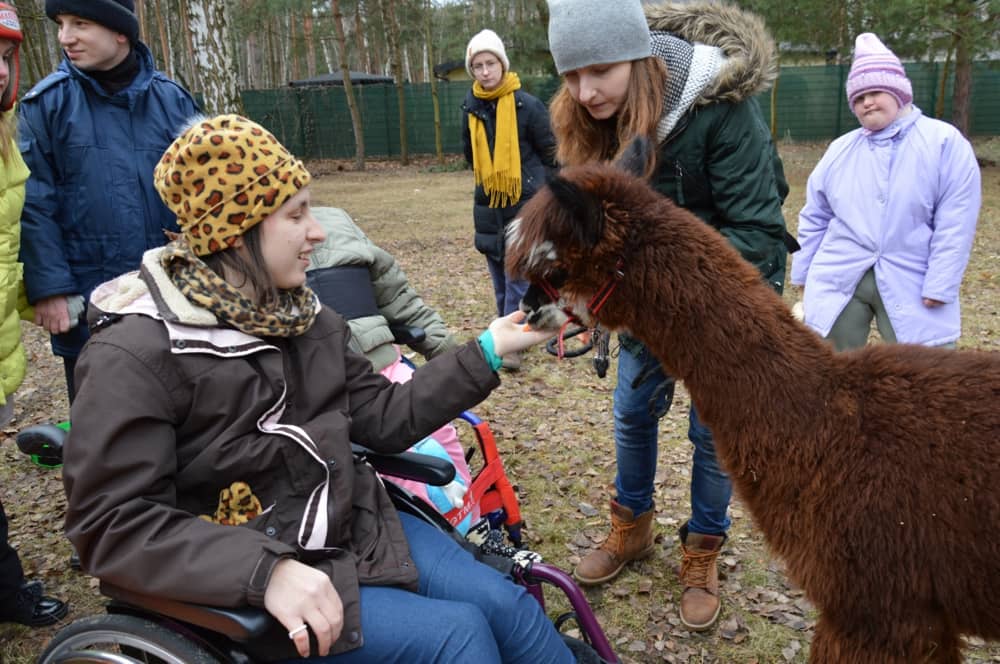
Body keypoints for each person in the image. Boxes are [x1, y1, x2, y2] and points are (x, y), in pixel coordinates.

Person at [60, 114, 577, 662]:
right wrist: (266, 571)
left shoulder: (305, 318)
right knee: (459, 638)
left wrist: (487, 350)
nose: (319, 231)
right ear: (234, 229)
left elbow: (384, 416)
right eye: (296, 214)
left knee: (511, 609)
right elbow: (110, 523)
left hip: (350, 526)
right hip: (255, 579)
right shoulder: (136, 353)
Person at [545, 0, 791, 632]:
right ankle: (631, 530)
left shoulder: (720, 111)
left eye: (599, 69)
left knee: (712, 436)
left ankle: (702, 548)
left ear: (639, 55)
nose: (584, 90)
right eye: (571, 74)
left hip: (727, 305)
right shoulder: (588, 118)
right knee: (631, 410)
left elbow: (759, 231)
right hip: (646, 303)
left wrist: (661, 282)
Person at [17, 0, 199, 404]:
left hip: (169, 291)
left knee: (178, 408)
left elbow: (203, 194)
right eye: (61, 24)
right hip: (89, 293)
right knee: (99, 416)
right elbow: (33, 203)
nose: (65, 37)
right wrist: (49, 287)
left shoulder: (173, 102)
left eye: (80, 23)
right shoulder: (47, 104)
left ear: (121, 32)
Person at [791, 33, 981, 351]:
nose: (867, 102)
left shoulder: (944, 143)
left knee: (924, 377)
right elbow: (815, 216)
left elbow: (956, 220)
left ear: (899, 93)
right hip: (841, 277)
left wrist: (941, 282)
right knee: (826, 374)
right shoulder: (840, 150)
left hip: (914, 278)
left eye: (875, 92)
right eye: (858, 97)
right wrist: (804, 273)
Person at [307, 207, 477, 532]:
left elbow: (394, 293)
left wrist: (447, 353)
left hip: (385, 369)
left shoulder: (335, 220)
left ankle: (469, 528)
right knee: (402, 466)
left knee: (439, 436)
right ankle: (436, 541)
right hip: (324, 393)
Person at [0, 2, 68, 628]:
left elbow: (8, 250)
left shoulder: (4, 146)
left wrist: (46, 298)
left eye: (3, 57)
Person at [461, 28, 557, 371]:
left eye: (490, 63)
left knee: (518, 273)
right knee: (498, 273)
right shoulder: (470, 109)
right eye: (478, 65)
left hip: (524, 203)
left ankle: (512, 341)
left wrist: (543, 193)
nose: (485, 71)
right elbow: (471, 158)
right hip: (489, 203)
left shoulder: (527, 106)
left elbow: (551, 154)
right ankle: (506, 328)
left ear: (502, 63)